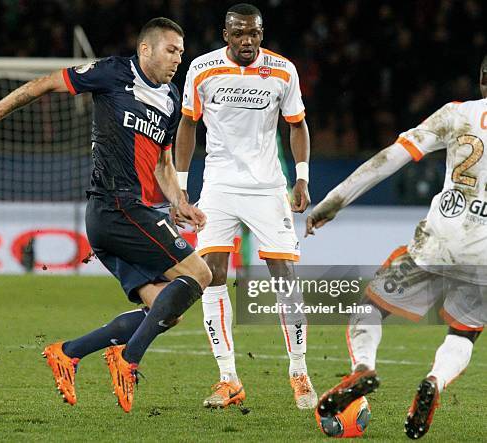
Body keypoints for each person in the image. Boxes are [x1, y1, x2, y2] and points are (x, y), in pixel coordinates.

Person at [0, 17, 212, 413]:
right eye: (171, 50)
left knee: (165, 310)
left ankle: (68, 352)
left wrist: (179, 200)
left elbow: (164, 164)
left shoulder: (169, 96)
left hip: (119, 215)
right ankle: (128, 359)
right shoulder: (112, 72)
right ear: (145, 49)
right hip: (116, 206)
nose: (178, 58)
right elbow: (45, 82)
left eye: (181, 52)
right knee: (200, 274)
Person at [306, 55, 487, 439]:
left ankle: (364, 369)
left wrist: (333, 202)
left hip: (439, 239)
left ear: (483, 80)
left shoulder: (457, 113)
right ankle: (435, 380)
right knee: (463, 333)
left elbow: (389, 159)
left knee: (369, 308)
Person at [175, 3, 317, 409]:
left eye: (254, 32)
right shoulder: (202, 69)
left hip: (268, 186)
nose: (247, 40)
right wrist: (182, 190)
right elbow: (188, 123)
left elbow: (297, 124)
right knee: (210, 274)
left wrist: (302, 177)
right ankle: (228, 378)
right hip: (218, 185)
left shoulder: (282, 71)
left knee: (284, 275)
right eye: (239, 33)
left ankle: (299, 370)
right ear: (226, 34)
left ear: (261, 33)